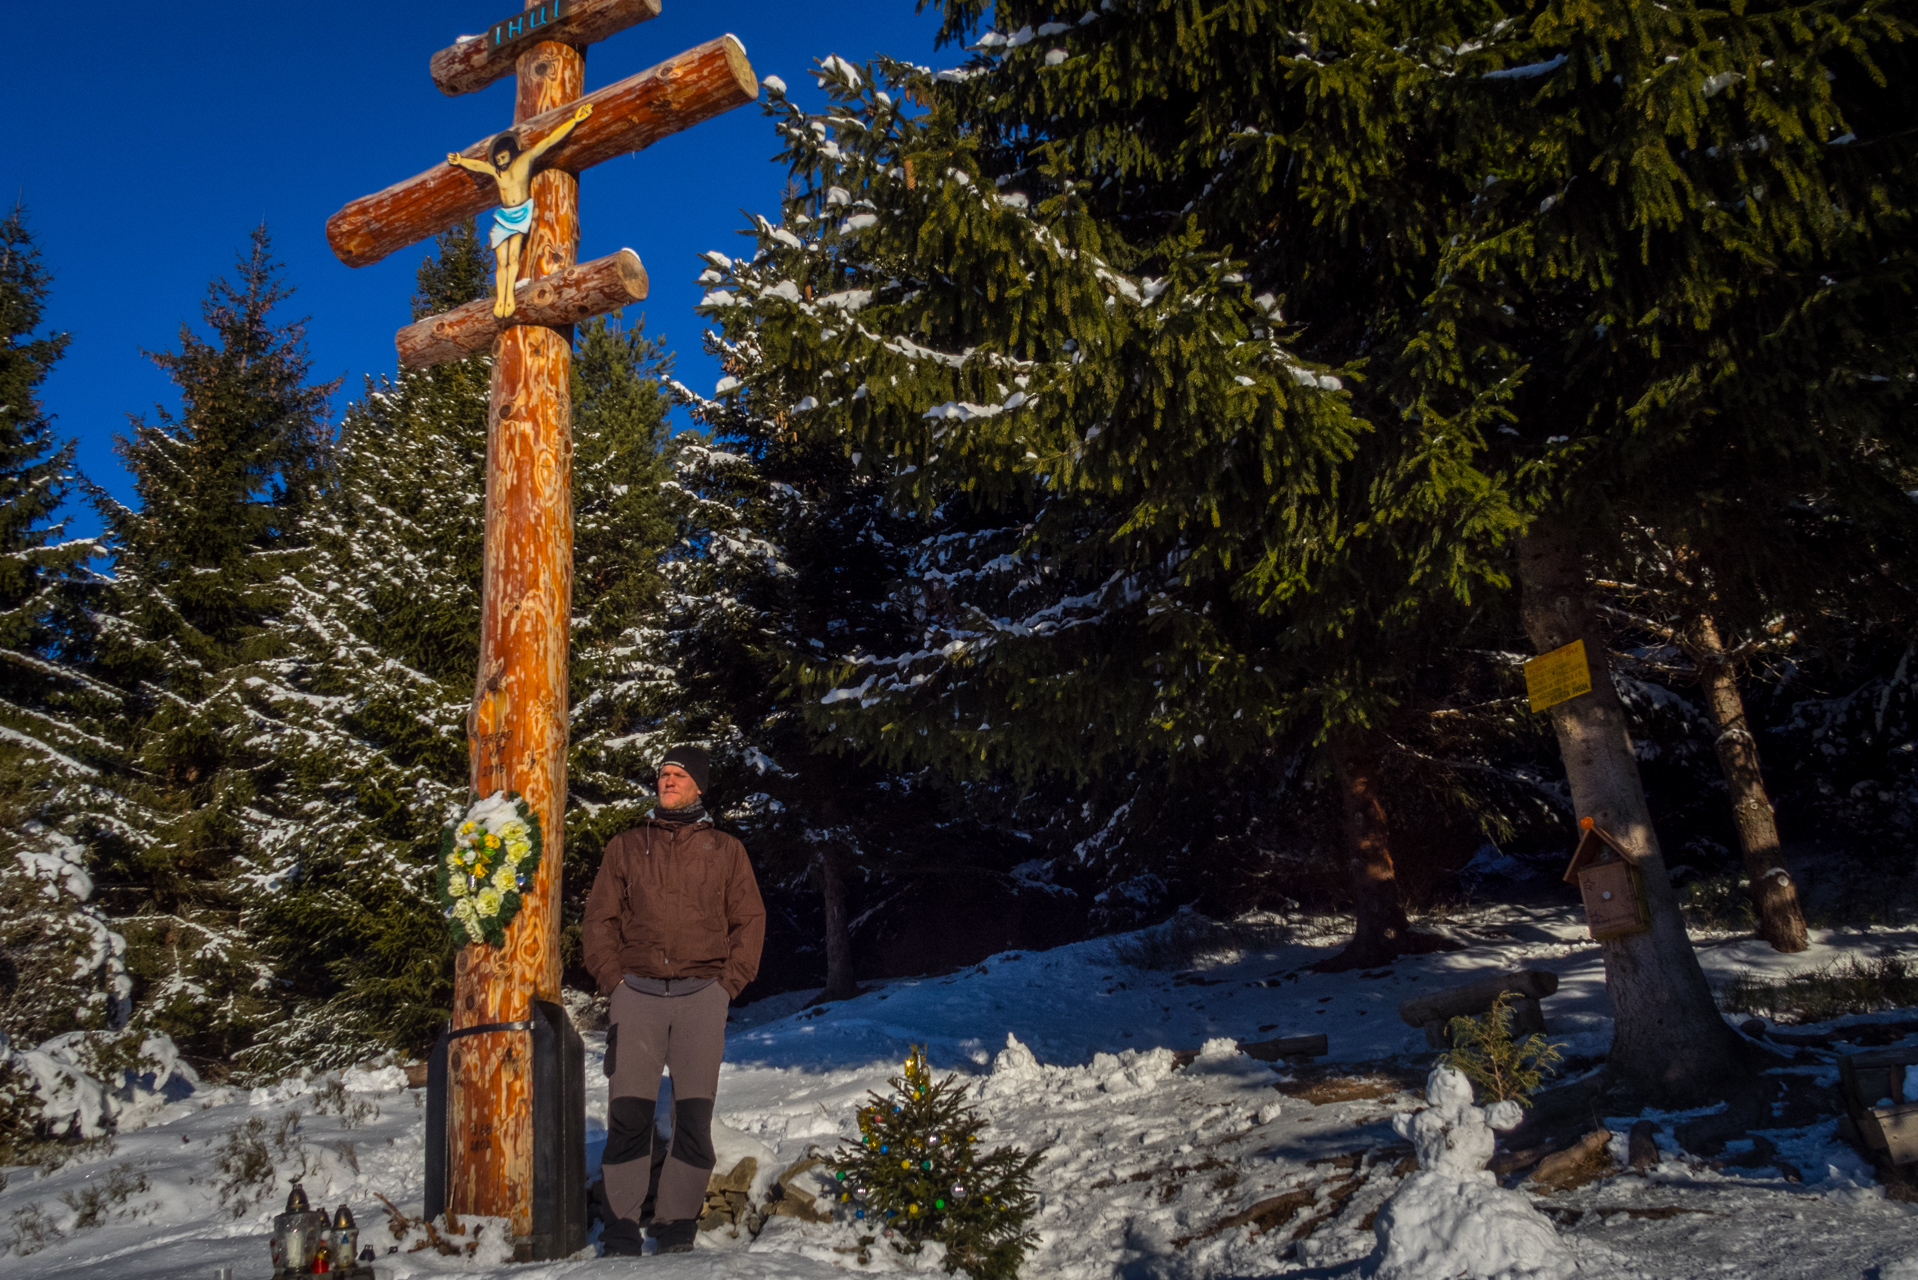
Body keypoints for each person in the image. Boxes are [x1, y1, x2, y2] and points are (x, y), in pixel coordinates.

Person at [582, 745, 765, 1256]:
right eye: (663, 774)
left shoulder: (727, 851)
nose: (668, 781)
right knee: (628, 1116)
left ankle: (676, 1224)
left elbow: (749, 921)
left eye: (679, 775)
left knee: (693, 1117)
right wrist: (612, 980)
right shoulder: (626, 846)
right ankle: (620, 1225)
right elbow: (599, 919)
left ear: (700, 786)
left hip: (702, 996)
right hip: (635, 994)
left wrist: (728, 984)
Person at [445, 101, 593, 318]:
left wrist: (574, 120)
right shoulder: (497, 172)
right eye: (497, 159)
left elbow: (549, 141)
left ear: (511, 153)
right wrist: (461, 160)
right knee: (501, 261)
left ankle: (509, 299)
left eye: (503, 157)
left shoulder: (524, 160)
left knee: (513, 258)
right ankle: (501, 297)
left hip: (521, 212)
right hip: (504, 215)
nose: (500, 161)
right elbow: (479, 166)